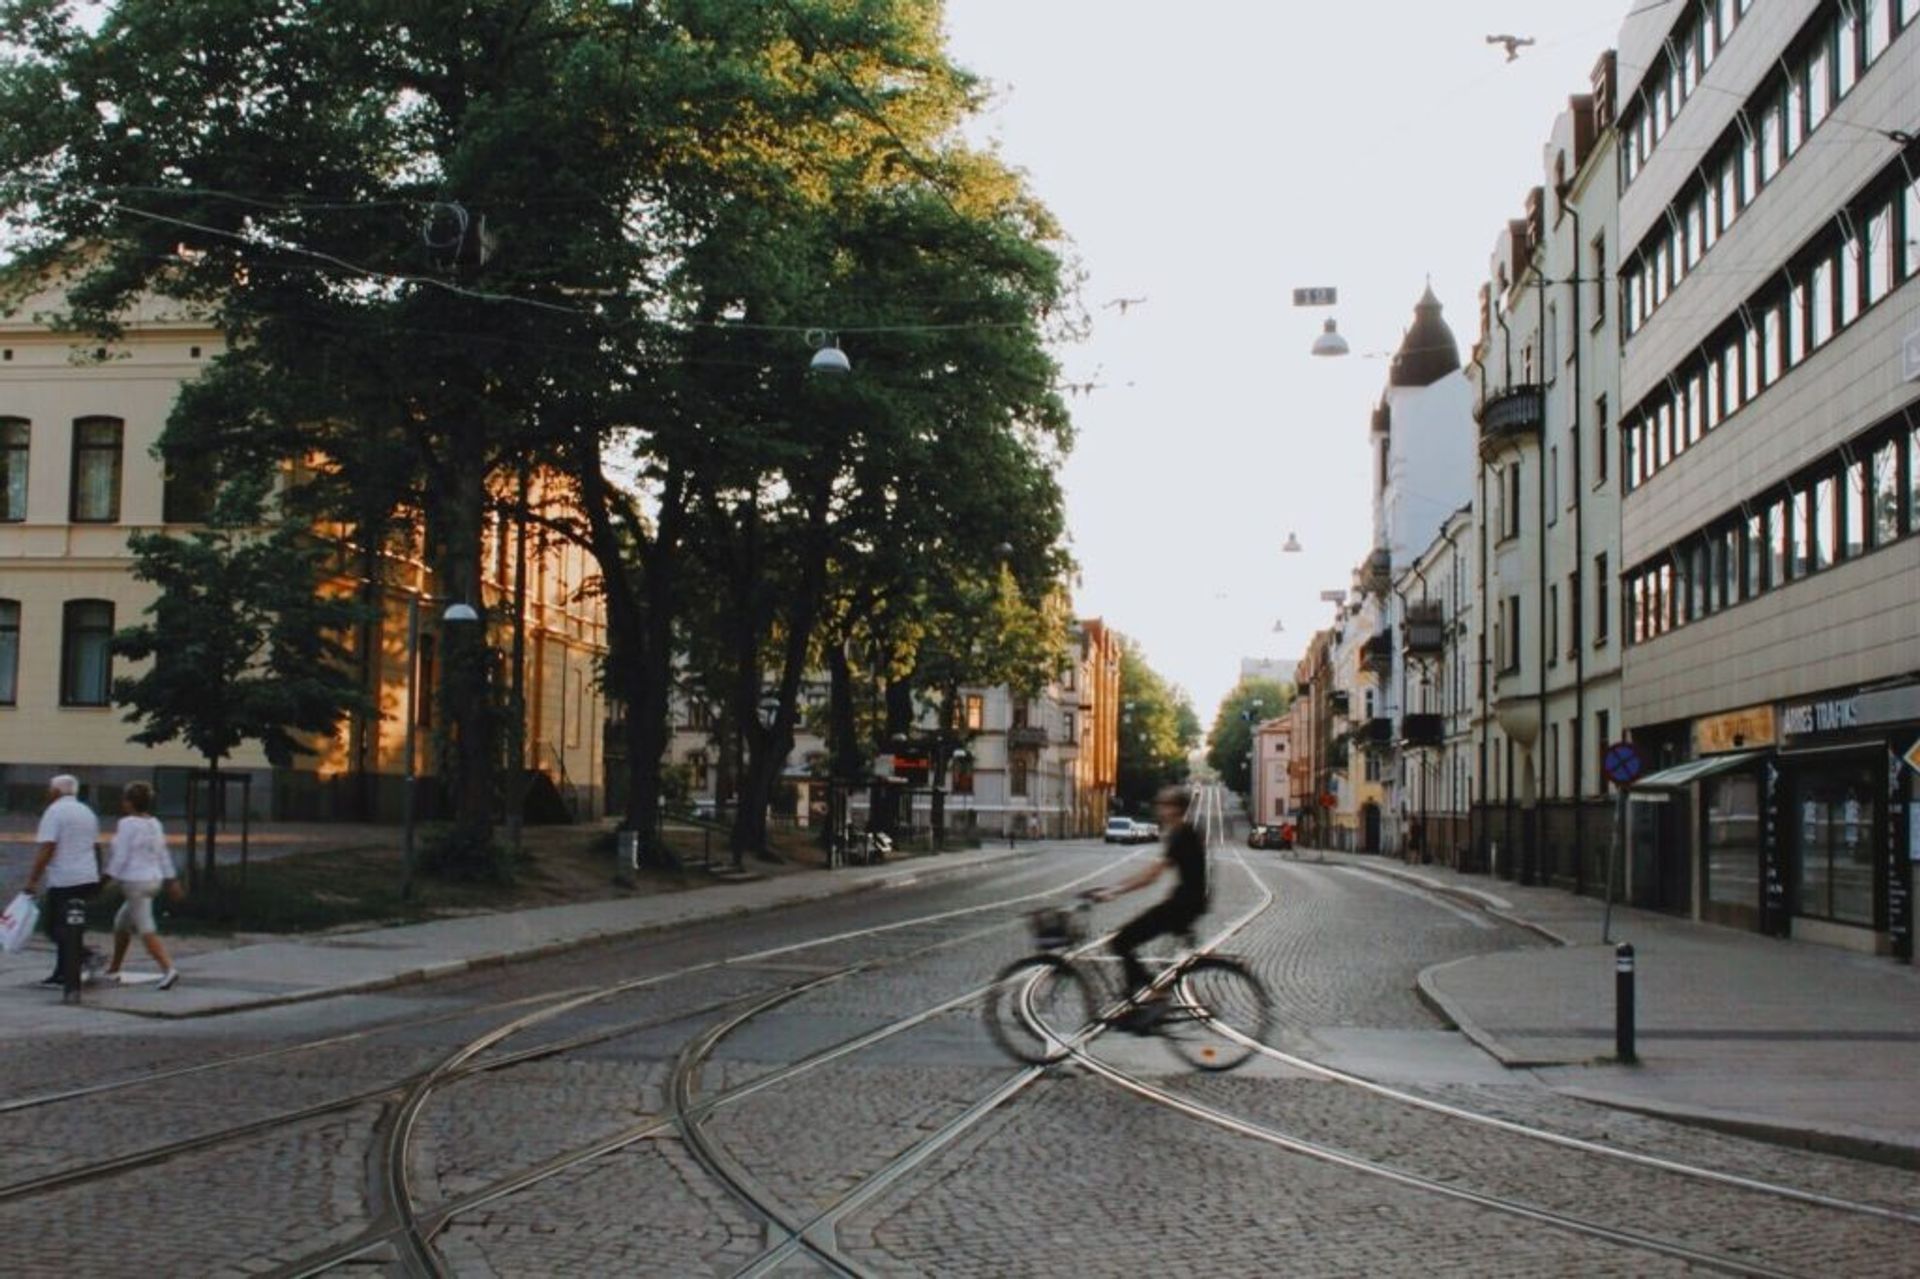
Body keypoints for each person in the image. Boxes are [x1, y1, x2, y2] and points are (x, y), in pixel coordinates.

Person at [1092, 785, 1208, 1030]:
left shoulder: (1180, 834)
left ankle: (1155, 996)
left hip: (1182, 906)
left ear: (1176, 809)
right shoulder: (1184, 831)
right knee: (1128, 939)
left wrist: (1114, 891)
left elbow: (1151, 876)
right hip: (1186, 902)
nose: (1159, 809)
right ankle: (1146, 998)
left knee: (1122, 940)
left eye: (1164, 805)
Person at [22, 774, 102, 995]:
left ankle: (85, 956)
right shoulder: (87, 812)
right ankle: (63, 972)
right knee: (70, 925)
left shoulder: (54, 812)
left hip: (65, 877)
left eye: (50, 789)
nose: (48, 793)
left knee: (53, 926)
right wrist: (98, 875)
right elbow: (96, 846)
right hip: (86, 876)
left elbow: (47, 847)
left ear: (56, 791)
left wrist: (32, 880)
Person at [102, 781, 181, 990]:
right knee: (121, 922)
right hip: (154, 880)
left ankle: (168, 968)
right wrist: (171, 879)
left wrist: (106, 878)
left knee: (146, 927)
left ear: (129, 802)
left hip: (135, 882)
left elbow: (121, 856)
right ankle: (114, 968)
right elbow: (163, 854)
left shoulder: (127, 824)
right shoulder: (155, 823)